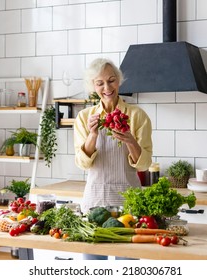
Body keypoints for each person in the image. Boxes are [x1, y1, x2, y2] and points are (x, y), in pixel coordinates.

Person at [73, 58, 153, 260]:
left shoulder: (137, 116)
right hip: (95, 202)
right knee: (93, 266)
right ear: (93, 86)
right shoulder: (84, 117)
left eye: (111, 80)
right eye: (100, 83)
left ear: (119, 80)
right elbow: (83, 163)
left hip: (128, 203)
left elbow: (144, 165)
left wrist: (130, 141)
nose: (107, 88)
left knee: (127, 267)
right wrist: (92, 135)